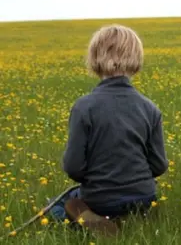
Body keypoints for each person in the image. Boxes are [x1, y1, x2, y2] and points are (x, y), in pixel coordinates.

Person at [48, 24, 168, 235]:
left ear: (94, 59)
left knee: (56, 205)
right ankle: (129, 218)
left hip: (100, 198)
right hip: (144, 197)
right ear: (136, 59)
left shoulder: (84, 107)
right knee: (127, 202)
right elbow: (159, 166)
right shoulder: (150, 108)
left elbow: (73, 168)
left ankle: (88, 220)